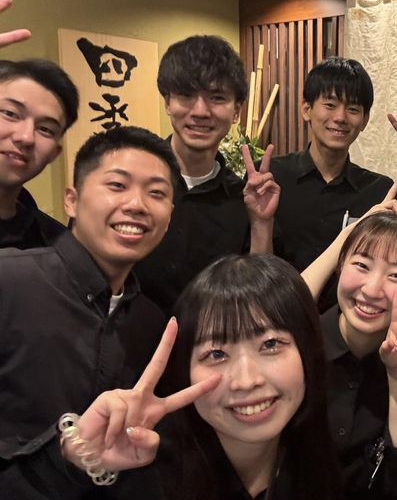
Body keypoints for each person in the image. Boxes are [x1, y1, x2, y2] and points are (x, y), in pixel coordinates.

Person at [3, 254, 342, 500]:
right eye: (216, 354)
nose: (246, 380)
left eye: (270, 344)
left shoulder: (320, 455)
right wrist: (72, 463)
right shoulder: (144, 472)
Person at [0, 126, 177, 459]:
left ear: (169, 218)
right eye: (117, 185)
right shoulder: (10, 282)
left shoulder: (150, 324)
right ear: (72, 200)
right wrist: (68, 453)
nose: (137, 205)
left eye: (156, 193)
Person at [134, 35, 278, 313]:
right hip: (135, 338)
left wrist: (261, 223)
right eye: (186, 95)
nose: (200, 111)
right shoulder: (134, 182)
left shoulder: (243, 198)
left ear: (236, 111)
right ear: (167, 102)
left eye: (217, 98)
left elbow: (258, 291)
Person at [302, 207, 397, 499]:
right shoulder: (297, 347)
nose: (373, 290)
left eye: (396, 275)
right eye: (362, 265)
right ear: (340, 266)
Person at [270, 57, 397, 308]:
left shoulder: (380, 192)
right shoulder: (272, 177)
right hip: (281, 319)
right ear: (306, 109)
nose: (340, 117)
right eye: (330, 105)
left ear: (364, 120)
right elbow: (255, 265)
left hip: (353, 323)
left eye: (353, 109)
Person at [0, 59, 79, 249]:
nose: (26, 137)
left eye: (45, 129)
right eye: (10, 113)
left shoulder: (57, 247)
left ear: (54, 153)